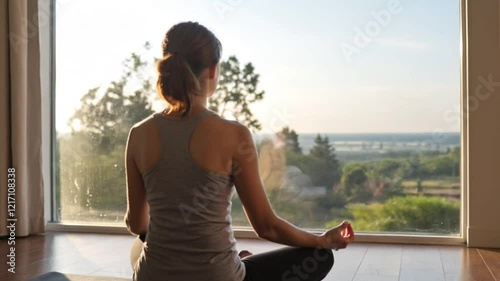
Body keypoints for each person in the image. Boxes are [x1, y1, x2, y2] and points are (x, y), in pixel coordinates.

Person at [125, 21, 355, 281]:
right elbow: (266, 226)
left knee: (139, 245)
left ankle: (240, 261)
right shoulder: (234, 134)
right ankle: (241, 262)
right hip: (218, 276)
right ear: (213, 70)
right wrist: (322, 240)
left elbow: (137, 225)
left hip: (152, 277)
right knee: (319, 257)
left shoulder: (139, 134)